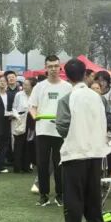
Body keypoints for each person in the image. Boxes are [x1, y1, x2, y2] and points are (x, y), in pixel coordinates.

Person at [53, 58, 109, 222]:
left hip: (75, 151)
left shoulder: (67, 99)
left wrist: (74, 134)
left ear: (66, 76)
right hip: (96, 151)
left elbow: (62, 126)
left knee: (73, 195)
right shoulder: (99, 97)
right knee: (93, 194)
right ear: (86, 74)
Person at [30, 55, 66, 206]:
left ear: (60, 67)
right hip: (43, 130)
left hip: (60, 131)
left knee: (60, 164)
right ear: (46, 68)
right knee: (42, 163)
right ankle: (43, 195)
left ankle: (60, 195)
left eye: (56, 66)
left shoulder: (67, 87)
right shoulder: (39, 87)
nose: (53, 69)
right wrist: (35, 116)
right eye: (50, 66)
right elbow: (32, 106)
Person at [11, 76, 34, 173]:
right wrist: (17, 116)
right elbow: (14, 107)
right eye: (24, 84)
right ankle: (17, 166)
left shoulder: (35, 95)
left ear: (32, 86)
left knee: (28, 144)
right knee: (18, 143)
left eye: (27, 85)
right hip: (20, 120)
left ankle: (26, 166)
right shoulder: (19, 95)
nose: (24, 86)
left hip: (31, 120)